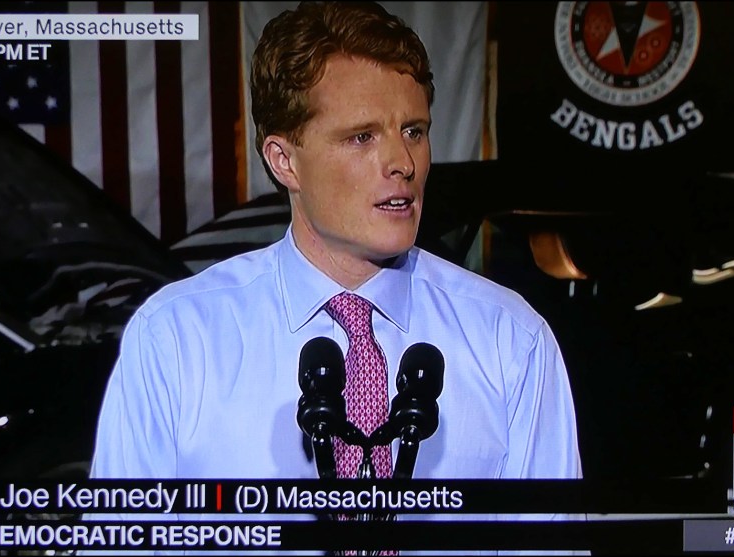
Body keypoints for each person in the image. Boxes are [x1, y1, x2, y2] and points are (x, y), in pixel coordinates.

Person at [89, 1, 582, 553]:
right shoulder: (177, 338)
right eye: (362, 136)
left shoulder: (511, 339)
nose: (403, 162)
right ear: (284, 161)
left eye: (414, 131)